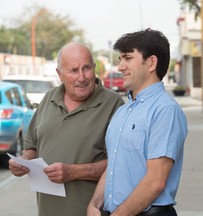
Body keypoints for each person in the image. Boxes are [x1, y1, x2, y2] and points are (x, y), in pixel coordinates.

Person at [8, 42, 125, 216]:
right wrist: (23, 162)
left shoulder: (113, 104)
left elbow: (121, 165)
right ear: (59, 74)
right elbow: (32, 145)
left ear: (94, 68)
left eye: (86, 68)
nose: (82, 77)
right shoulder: (49, 98)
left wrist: (73, 172)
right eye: (73, 70)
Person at [87, 28, 188, 216]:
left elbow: (155, 182)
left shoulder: (165, 110)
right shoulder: (123, 111)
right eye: (120, 59)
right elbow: (113, 166)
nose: (120, 67)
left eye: (128, 58)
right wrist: (94, 204)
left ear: (151, 63)